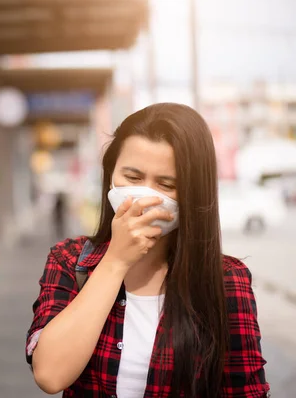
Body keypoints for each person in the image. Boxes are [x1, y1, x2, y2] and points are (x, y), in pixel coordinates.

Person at [25, 103, 270, 397]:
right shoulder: (69, 260)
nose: (146, 195)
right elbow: (50, 375)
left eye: (166, 184)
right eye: (132, 178)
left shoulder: (226, 280)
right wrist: (116, 261)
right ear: (111, 175)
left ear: (193, 193)